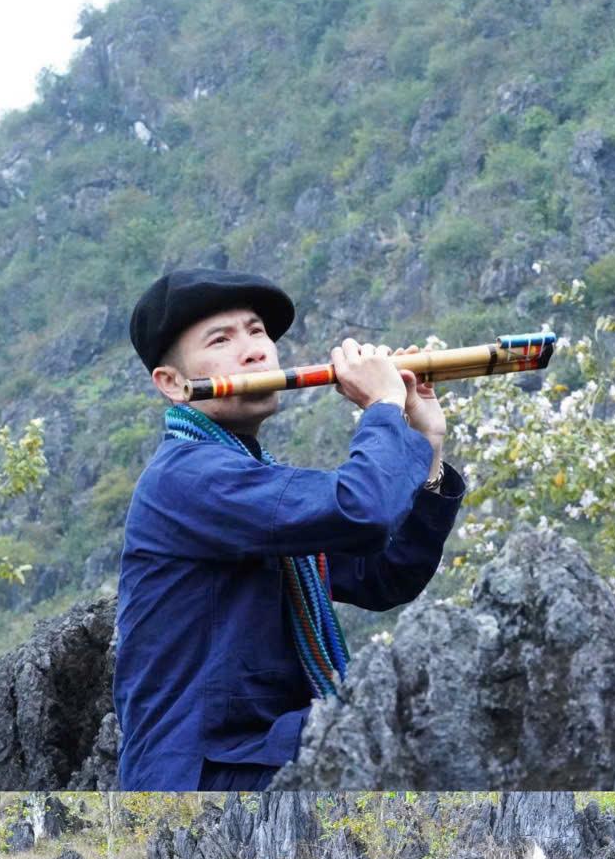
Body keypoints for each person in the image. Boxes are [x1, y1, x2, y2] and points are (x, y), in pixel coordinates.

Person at [113, 267, 466, 791]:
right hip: (203, 775)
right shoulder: (187, 479)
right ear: (171, 383)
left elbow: (385, 576)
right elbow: (361, 511)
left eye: (257, 332)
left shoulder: (249, 475)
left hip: (260, 753)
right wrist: (383, 407)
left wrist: (426, 441)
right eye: (222, 339)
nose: (255, 349)